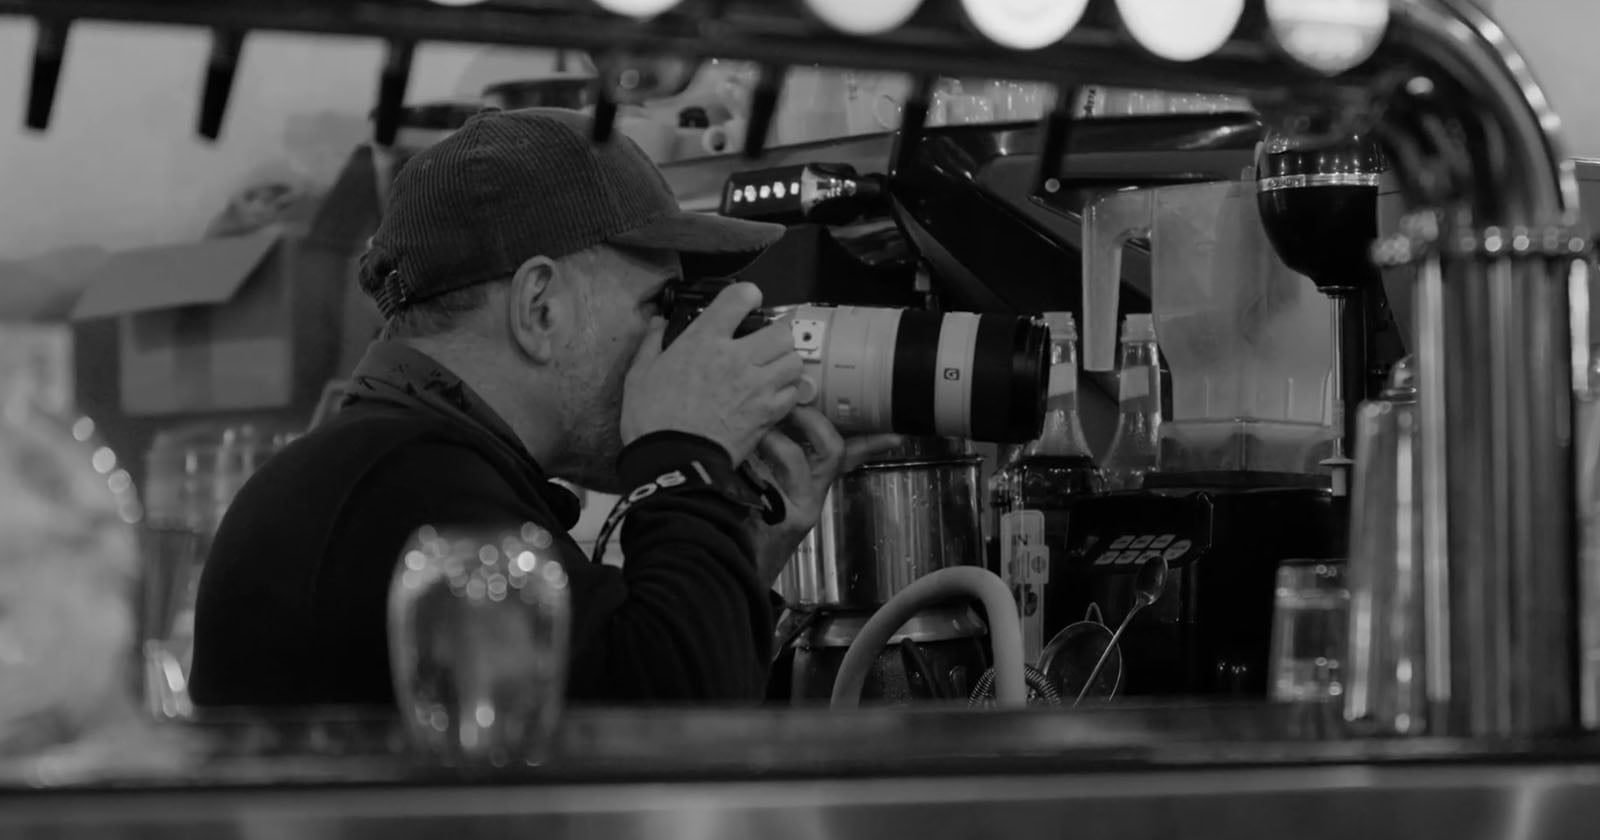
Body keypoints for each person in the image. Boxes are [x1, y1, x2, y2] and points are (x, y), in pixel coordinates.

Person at [188, 108, 899, 707]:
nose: (677, 339)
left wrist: (739, 549)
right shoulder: (406, 490)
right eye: (659, 305)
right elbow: (660, 742)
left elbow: (606, 683)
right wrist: (683, 456)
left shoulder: (393, 468)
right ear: (540, 307)